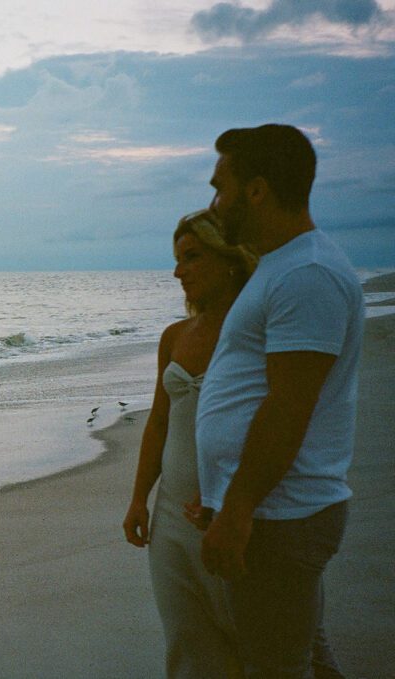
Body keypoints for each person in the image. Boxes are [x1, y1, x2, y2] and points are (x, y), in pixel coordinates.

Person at [195, 124, 364, 678]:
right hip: (269, 509)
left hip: (279, 516)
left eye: (221, 187)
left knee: (275, 668)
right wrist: (224, 496)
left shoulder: (307, 273)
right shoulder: (284, 265)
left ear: (258, 190)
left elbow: (289, 408)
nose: (214, 202)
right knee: (295, 658)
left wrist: (238, 509)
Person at [123, 209, 256, 679]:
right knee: (188, 646)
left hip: (234, 514)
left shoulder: (256, 334)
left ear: (230, 260)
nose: (179, 271)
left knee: (258, 646)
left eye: (192, 257)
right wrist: (140, 498)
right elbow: (159, 423)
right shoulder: (174, 337)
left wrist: (234, 499)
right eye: (177, 259)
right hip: (170, 519)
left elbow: (278, 423)